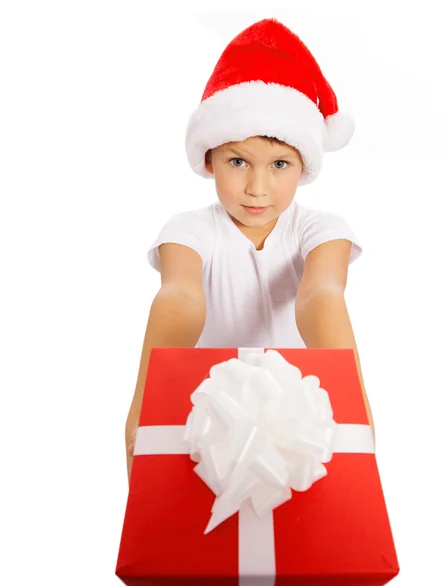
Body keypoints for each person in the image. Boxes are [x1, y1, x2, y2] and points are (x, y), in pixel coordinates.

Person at [125, 18, 375, 482]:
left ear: (303, 166)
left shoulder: (322, 229)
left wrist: (353, 412)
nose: (257, 188)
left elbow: (321, 295)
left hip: (301, 423)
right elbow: (180, 297)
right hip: (206, 420)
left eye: (279, 164)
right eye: (237, 162)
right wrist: (146, 404)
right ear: (209, 159)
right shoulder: (189, 230)